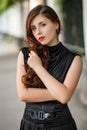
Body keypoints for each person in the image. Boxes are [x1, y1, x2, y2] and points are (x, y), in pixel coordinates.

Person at [16, 5, 82, 130]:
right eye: (33, 28)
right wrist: (61, 92)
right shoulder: (25, 54)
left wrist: (38, 67)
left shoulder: (74, 59)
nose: (38, 32)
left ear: (56, 24)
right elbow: (23, 94)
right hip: (30, 124)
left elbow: (64, 97)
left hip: (61, 126)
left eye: (43, 25)